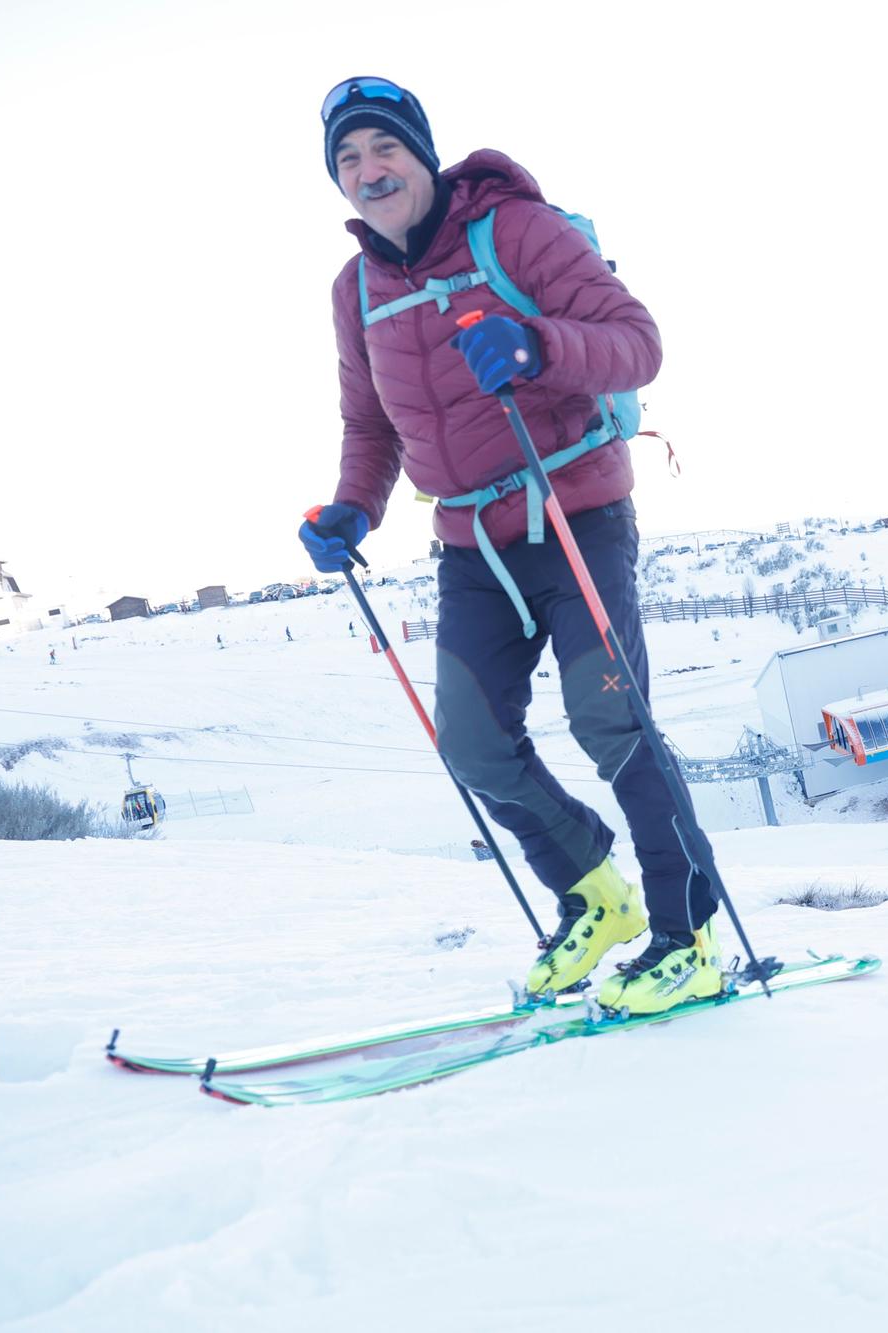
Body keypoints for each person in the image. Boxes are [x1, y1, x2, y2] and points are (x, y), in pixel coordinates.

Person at [296, 78, 713, 1017]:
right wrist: (352, 511)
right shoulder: (355, 290)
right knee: (474, 744)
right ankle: (594, 892)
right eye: (347, 160)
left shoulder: (517, 231)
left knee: (611, 720)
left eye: (382, 149)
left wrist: (536, 347)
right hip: (470, 543)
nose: (368, 172)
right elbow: (372, 426)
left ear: (422, 152)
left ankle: (690, 937)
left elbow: (637, 343)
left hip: (574, 512)